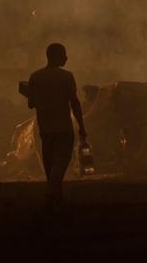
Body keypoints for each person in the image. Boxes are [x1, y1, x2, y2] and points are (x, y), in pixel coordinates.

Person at [25, 42, 87, 207]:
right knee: (60, 162)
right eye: (64, 54)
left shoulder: (35, 77)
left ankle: (55, 196)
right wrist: (81, 125)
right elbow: (74, 102)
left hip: (45, 128)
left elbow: (31, 104)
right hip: (63, 127)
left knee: (50, 162)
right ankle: (52, 193)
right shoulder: (66, 76)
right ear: (57, 56)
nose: (66, 58)